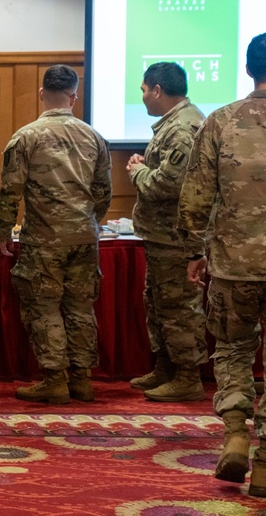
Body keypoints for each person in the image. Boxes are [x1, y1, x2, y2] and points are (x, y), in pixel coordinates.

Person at [177, 32, 266, 493]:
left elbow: (195, 195)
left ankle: (235, 435)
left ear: (250, 70)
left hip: (233, 264)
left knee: (233, 350)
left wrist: (194, 251)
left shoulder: (220, 121)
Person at [0, 64, 112, 405]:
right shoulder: (94, 136)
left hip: (43, 239)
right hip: (84, 238)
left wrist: (3, 229)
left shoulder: (25, 137)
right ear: (74, 96)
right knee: (79, 307)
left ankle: (55, 380)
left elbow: (11, 189)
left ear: (42, 93)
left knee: (43, 308)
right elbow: (104, 191)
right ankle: (82, 380)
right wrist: (88, 221)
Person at [125, 61, 207, 402]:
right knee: (158, 304)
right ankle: (167, 368)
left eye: (144, 90)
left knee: (178, 309)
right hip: (162, 236)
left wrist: (137, 171)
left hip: (176, 238)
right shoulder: (174, 124)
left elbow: (166, 185)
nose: (142, 97)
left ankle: (188, 377)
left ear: (157, 90)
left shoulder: (182, 129)